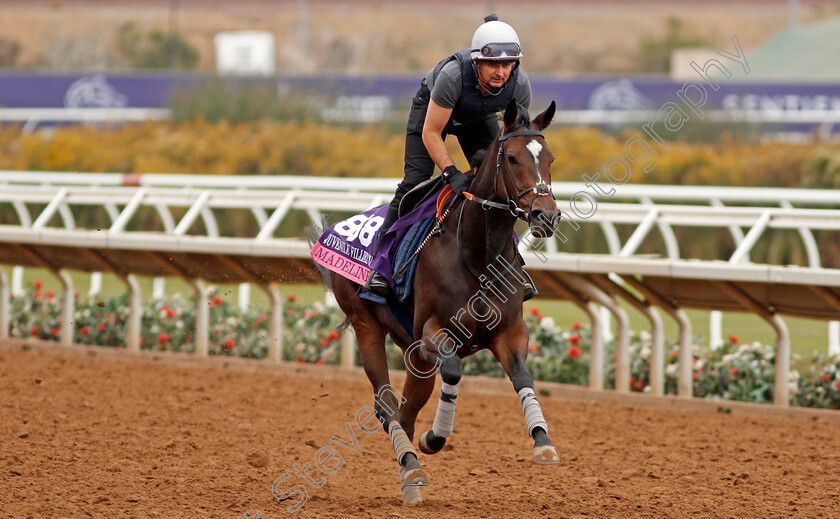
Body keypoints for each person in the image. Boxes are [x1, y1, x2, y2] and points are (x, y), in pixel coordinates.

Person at [364, 13, 537, 300]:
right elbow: (432, 133)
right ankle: (380, 267)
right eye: (493, 64)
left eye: (507, 64)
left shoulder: (519, 86)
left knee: (499, 183)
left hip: (476, 118)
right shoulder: (453, 76)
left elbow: (516, 141)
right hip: (432, 115)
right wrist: (450, 172)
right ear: (477, 62)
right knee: (414, 183)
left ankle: (513, 263)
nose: (501, 72)